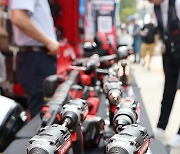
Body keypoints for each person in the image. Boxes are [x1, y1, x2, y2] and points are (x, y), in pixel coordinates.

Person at [9, 0, 59, 118]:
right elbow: (18, 17)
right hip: (36, 57)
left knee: (45, 110)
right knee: (41, 113)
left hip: (38, 56)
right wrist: (48, 42)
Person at [149, 0, 180, 148]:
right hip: (169, 54)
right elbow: (161, 29)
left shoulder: (177, 4)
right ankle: (161, 126)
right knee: (168, 90)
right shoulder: (155, 7)